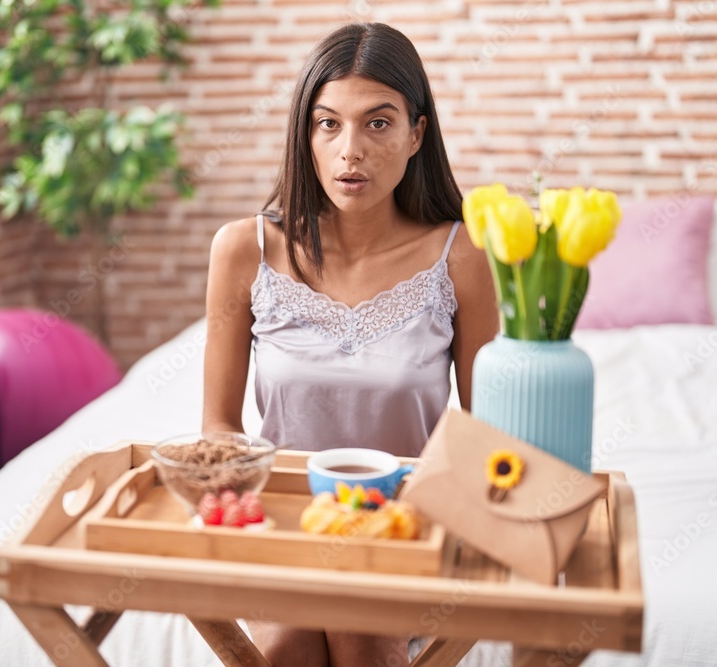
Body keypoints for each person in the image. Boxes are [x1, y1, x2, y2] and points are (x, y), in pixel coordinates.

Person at [202, 22, 498, 667]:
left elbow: (486, 434)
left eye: (379, 123)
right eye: (328, 124)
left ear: (417, 133)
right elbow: (220, 423)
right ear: (305, 134)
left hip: (405, 530)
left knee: (365, 640)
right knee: (287, 646)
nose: (349, 151)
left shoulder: (463, 254)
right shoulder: (243, 250)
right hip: (283, 527)